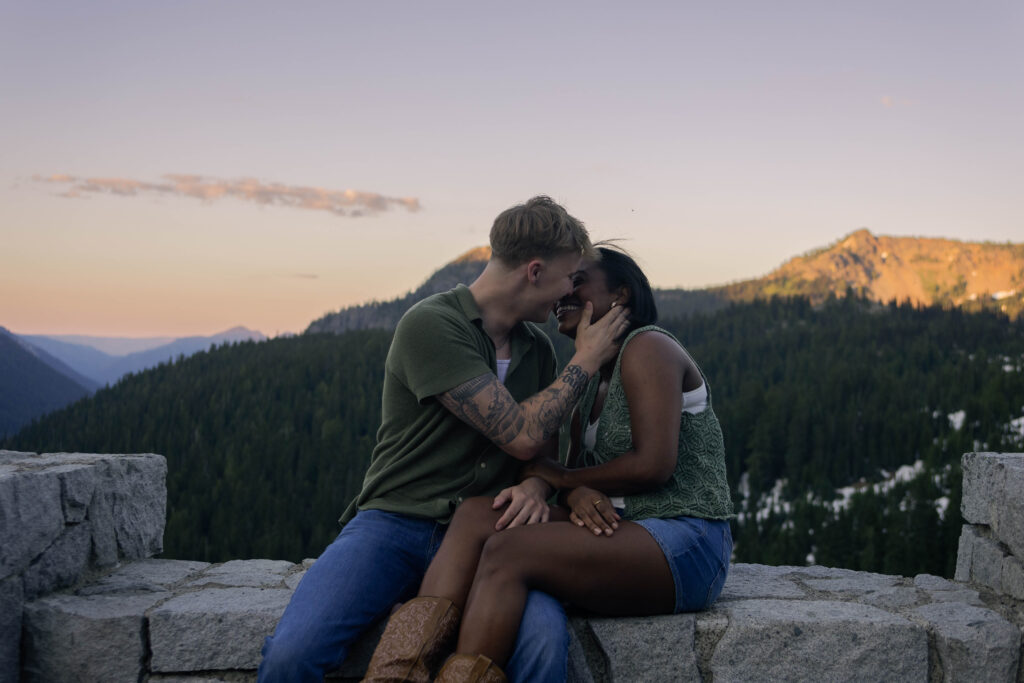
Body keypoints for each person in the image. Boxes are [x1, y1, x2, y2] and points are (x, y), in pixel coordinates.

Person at [257, 197, 631, 683]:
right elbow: (519, 434)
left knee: (543, 646)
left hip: (492, 534)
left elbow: (540, 458)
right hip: (395, 525)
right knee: (292, 656)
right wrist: (587, 359)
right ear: (534, 271)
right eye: (567, 278)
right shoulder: (431, 325)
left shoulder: (535, 348)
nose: (568, 294)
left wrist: (536, 489)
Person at [365, 245, 734, 682]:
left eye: (578, 281)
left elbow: (654, 465)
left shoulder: (648, 346)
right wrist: (574, 489)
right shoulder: (594, 377)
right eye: (563, 281)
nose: (564, 292)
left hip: (687, 539)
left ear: (621, 294)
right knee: (480, 515)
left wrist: (559, 476)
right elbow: (577, 475)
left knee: (507, 551)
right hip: (627, 529)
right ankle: (397, 673)